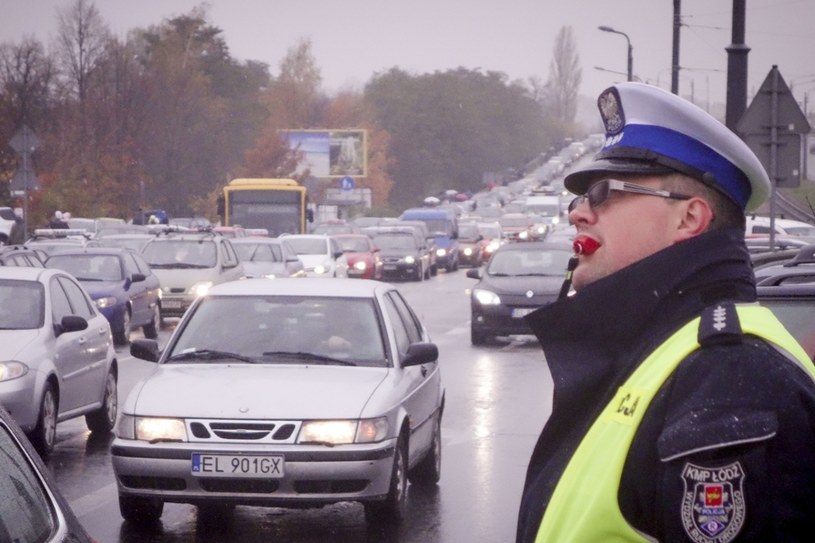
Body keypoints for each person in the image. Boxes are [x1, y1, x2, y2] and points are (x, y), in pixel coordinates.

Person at [516, 82, 815, 543]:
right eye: (579, 198)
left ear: (689, 219)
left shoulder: (731, 383)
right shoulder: (658, 353)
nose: (579, 214)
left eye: (603, 192)